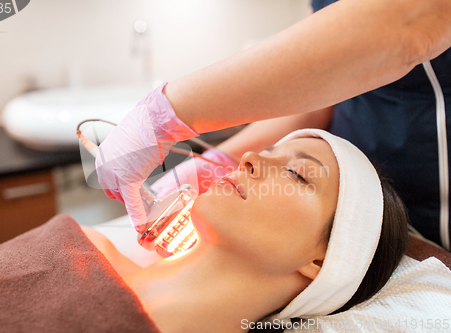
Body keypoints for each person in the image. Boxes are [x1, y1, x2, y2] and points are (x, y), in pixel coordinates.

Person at [94, 0, 451, 249]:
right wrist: (210, 165)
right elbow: (321, 96)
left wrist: (166, 115)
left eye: (297, 174)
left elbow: (410, 21)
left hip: (413, 225)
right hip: (361, 210)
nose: (252, 158)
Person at [90, 129, 409, 332]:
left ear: (324, 262)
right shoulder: (92, 248)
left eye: (297, 174)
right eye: (266, 152)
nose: (248, 158)